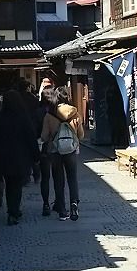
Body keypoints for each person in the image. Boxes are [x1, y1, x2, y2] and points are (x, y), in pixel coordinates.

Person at [0, 90, 39, 225]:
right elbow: (31, 138)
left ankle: (12, 210)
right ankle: (13, 211)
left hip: (3, 159)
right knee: (17, 185)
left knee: (9, 184)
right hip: (20, 158)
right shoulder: (23, 118)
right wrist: (36, 156)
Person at [41, 87, 84, 221]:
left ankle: (62, 210)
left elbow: (44, 136)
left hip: (55, 151)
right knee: (72, 177)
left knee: (58, 179)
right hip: (71, 150)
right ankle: (74, 203)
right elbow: (81, 135)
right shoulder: (75, 113)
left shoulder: (50, 114)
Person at [35, 86, 57, 215]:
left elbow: (35, 130)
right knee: (58, 176)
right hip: (56, 147)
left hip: (44, 146)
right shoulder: (57, 110)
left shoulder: (38, 111)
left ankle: (46, 204)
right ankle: (58, 202)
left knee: (45, 177)